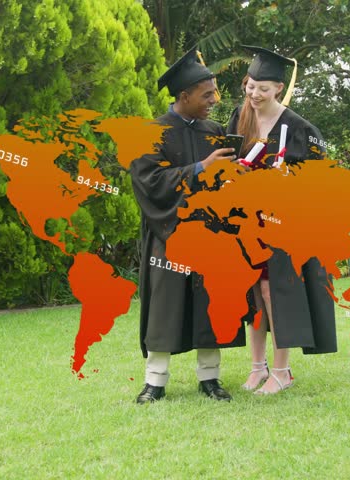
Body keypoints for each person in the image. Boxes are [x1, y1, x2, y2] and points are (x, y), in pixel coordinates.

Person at [130, 48, 245, 404]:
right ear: (184, 96)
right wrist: (199, 169)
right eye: (207, 94)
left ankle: (210, 378)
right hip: (170, 232)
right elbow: (149, 181)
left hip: (210, 233)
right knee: (166, 305)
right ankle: (155, 381)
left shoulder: (215, 132)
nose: (215, 100)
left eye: (215, 93)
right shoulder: (152, 133)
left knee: (209, 303)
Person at [227, 45, 338, 395]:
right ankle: (257, 367)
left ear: (278, 87)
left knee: (273, 292)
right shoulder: (239, 118)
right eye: (250, 85)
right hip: (246, 223)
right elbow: (225, 163)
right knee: (253, 294)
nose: (254, 93)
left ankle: (282, 370)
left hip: (282, 225)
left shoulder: (301, 128)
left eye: (262, 88)